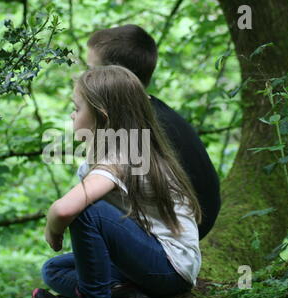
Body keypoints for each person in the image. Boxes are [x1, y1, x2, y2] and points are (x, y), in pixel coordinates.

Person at [32, 65, 202, 298]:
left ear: (102, 116)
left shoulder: (122, 158)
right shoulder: (124, 151)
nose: (72, 115)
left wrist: (53, 229)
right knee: (55, 270)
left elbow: (64, 210)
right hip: (153, 261)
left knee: (88, 212)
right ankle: (126, 295)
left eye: (77, 108)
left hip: (169, 267)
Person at [86, 24, 221, 241]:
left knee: (90, 203)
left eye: (91, 71)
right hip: (184, 220)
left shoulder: (142, 125)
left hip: (184, 228)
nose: (86, 79)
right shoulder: (149, 111)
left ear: (114, 77)